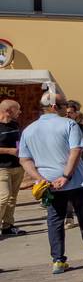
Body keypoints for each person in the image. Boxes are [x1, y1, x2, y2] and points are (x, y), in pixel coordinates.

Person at [18, 90, 83, 274]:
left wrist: (39, 179)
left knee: (55, 220)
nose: (67, 108)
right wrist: (66, 176)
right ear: (54, 107)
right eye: (64, 105)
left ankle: (58, 260)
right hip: (75, 181)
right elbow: (75, 151)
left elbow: (24, 159)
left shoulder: (29, 130)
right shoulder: (69, 124)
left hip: (49, 183)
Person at [0, 98, 25, 236]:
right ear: (9, 111)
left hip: (17, 166)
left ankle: (7, 226)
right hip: (2, 168)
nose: (20, 112)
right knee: (3, 197)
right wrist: (9, 151)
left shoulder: (15, 125)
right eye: (18, 109)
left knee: (12, 198)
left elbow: (18, 143)